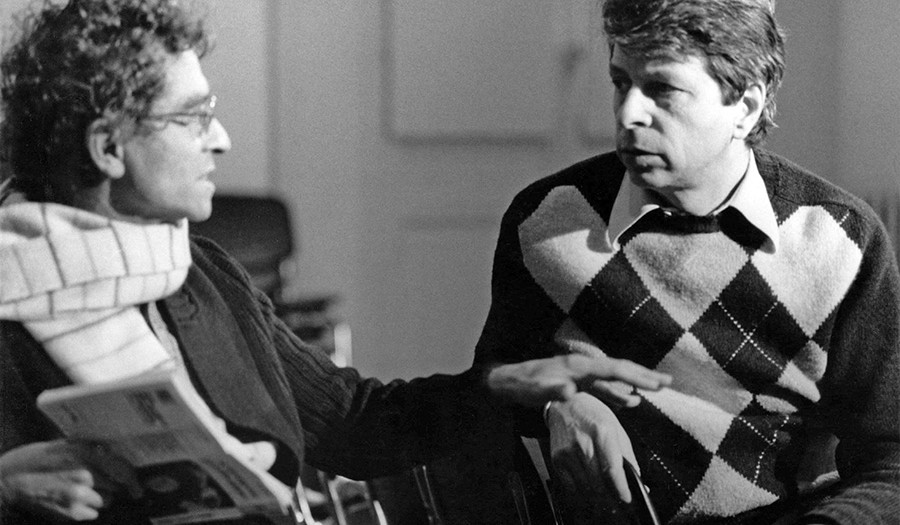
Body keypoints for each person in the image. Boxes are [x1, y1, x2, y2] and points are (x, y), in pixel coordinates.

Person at [0, 0, 675, 523]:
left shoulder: (204, 274)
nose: (221, 139)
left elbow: (354, 421)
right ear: (108, 148)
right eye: (192, 118)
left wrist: (501, 385)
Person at [473, 0, 900, 523]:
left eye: (662, 89)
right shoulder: (547, 220)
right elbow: (484, 396)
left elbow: (891, 459)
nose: (628, 114)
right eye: (620, 82)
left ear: (745, 107)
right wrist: (554, 406)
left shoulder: (839, 239)